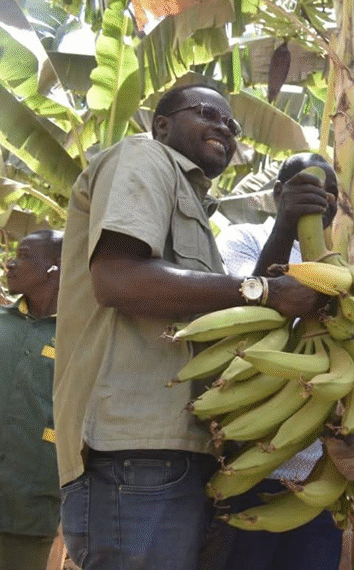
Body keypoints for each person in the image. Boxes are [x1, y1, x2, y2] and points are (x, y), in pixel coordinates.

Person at [54, 84, 325, 570]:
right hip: (134, 450)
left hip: (179, 452)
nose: (224, 127)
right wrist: (261, 291)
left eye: (233, 124)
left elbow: (235, 319)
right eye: (207, 113)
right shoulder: (144, 157)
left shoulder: (197, 211)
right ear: (161, 124)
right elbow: (117, 279)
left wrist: (285, 227)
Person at [212, 153, 342, 570]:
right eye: (306, 184)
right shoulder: (241, 237)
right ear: (278, 192)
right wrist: (286, 225)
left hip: (314, 477)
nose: (322, 196)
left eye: (331, 192)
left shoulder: (342, 271)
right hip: (246, 461)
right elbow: (243, 311)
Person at [0, 230, 62, 570]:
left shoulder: (79, 336)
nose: (10, 263)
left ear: (56, 267)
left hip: (31, 511)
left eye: (24, 255)